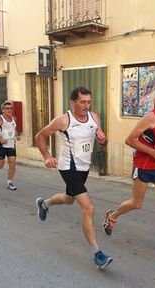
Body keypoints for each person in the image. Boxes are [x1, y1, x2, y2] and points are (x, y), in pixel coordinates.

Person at [102, 86, 155, 261]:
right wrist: (152, 153)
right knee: (136, 203)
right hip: (144, 167)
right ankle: (112, 215)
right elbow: (129, 140)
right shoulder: (150, 117)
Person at [34, 87, 112, 269]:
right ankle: (97, 253)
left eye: (88, 102)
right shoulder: (63, 120)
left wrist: (102, 139)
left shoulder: (94, 117)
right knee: (88, 207)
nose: (86, 105)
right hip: (68, 167)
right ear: (73, 103)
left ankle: (44, 204)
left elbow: (102, 140)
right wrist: (47, 157)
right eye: (82, 102)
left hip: (84, 168)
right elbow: (40, 136)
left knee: (69, 199)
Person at [0, 100, 21, 190]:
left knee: (12, 163)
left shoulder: (14, 118)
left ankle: (10, 182)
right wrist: (0, 139)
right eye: (7, 108)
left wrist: (17, 135)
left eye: (11, 108)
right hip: (0, 145)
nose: (9, 110)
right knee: (0, 165)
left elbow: (14, 129)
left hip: (11, 144)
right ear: (3, 110)